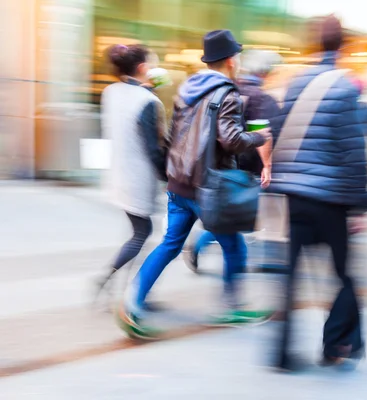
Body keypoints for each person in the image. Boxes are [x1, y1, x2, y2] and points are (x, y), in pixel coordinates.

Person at [118, 30, 272, 334]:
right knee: (235, 246)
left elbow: (174, 136)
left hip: (179, 183)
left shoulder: (188, 87)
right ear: (230, 60)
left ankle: (130, 302)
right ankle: (231, 308)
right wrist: (258, 137)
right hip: (206, 187)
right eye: (237, 56)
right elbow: (230, 139)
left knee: (169, 245)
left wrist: (171, 175)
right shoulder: (227, 92)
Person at [269, 15, 367, 371]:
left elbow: (279, 132)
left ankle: (281, 354)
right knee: (343, 274)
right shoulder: (344, 87)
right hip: (330, 199)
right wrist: (361, 205)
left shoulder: (295, 83)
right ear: (342, 46)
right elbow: (352, 150)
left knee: (291, 276)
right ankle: (336, 344)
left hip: (295, 197)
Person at [186, 50, 282, 278]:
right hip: (249, 167)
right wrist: (268, 164)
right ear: (266, 72)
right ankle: (248, 262)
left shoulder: (231, 88)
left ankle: (200, 243)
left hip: (227, 166)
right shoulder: (261, 98)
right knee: (239, 217)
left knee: (229, 215)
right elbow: (263, 134)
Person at [96, 44, 169, 298]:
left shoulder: (111, 92)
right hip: (138, 178)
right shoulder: (147, 101)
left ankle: (125, 286)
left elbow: (128, 112)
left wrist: (146, 90)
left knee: (140, 231)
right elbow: (153, 148)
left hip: (118, 175)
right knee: (142, 233)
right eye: (153, 62)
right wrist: (167, 177)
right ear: (143, 68)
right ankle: (121, 286)